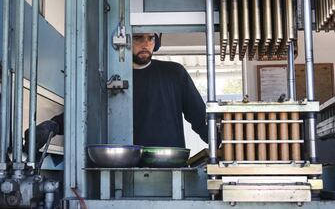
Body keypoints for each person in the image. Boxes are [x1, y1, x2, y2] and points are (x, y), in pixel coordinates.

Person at [25, 33, 208, 150]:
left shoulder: (174, 73)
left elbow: (199, 117)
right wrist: (54, 125)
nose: (146, 44)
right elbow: (87, 110)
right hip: (122, 167)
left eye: (150, 38)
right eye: (138, 38)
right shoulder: (111, 77)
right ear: (126, 40)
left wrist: (222, 143)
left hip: (170, 166)